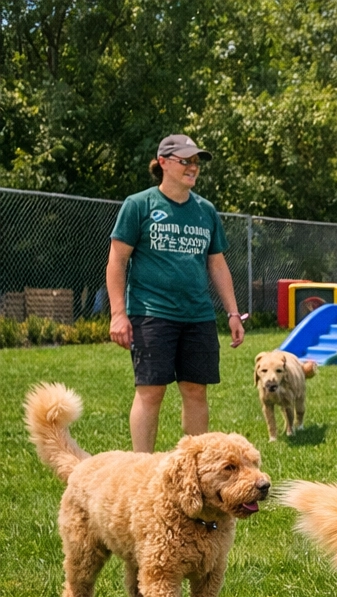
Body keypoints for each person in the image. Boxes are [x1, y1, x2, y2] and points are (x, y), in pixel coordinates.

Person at [107, 134, 245, 453]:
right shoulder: (138, 205)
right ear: (164, 163)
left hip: (198, 316)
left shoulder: (206, 211)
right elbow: (117, 260)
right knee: (151, 391)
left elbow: (218, 265)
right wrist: (118, 314)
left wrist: (233, 313)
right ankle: (141, 468)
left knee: (196, 390)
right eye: (186, 161)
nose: (193, 168)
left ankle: (194, 465)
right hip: (152, 313)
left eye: (196, 162)